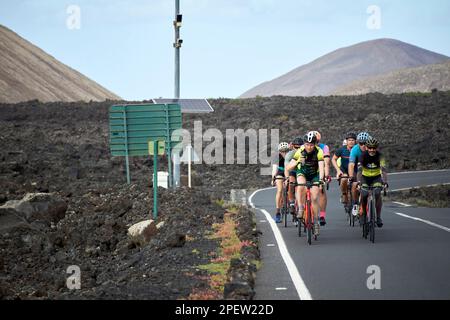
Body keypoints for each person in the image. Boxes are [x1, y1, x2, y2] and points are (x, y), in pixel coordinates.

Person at [286, 132, 325, 236]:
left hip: (314, 175)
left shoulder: (319, 151)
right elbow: (288, 167)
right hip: (302, 173)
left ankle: (316, 222)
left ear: (315, 144)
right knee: (300, 186)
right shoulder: (300, 151)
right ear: (304, 144)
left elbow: (321, 167)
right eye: (307, 144)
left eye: (311, 145)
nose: (309, 147)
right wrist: (297, 161)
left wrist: (321, 179)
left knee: (315, 197)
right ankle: (301, 208)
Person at [356, 137, 388, 227]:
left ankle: (378, 217)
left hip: (376, 178)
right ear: (366, 148)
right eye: (370, 148)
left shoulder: (380, 156)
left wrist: (385, 182)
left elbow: (384, 170)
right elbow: (359, 170)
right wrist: (358, 182)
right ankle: (364, 215)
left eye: (374, 148)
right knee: (364, 194)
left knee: (377, 193)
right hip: (365, 178)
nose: (372, 150)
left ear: (376, 148)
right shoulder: (362, 156)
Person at [348, 131, 370, 216]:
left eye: (365, 143)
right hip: (357, 171)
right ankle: (356, 204)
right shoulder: (355, 149)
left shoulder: (372, 148)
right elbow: (351, 164)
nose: (363, 146)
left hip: (369, 171)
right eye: (361, 143)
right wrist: (350, 176)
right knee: (354, 184)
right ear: (358, 143)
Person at [312, 131, 331, 226]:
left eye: (317, 142)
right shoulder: (306, 146)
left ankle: (322, 215)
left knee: (321, 191)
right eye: (313, 141)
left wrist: (326, 176)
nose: (315, 144)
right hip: (308, 169)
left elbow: (326, 163)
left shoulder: (324, 147)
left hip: (320, 169)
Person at [332, 132, 357, 205]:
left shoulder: (357, 149)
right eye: (349, 140)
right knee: (344, 179)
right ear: (346, 141)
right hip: (344, 170)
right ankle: (344, 194)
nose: (351, 142)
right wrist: (338, 170)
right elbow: (333, 159)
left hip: (355, 170)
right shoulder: (342, 149)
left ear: (355, 141)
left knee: (356, 185)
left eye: (353, 140)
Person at [284, 137, 303, 217]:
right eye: (296, 147)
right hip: (293, 171)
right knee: (291, 183)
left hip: (302, 171)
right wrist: (287, 178)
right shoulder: (289, 154)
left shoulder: (305, 153)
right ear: (293, 146)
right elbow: (287, 168)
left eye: (300, 147)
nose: (298, 149)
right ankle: (292, 204)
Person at [272, 142, 290, 223]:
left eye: (286, 151)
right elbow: (274, 169)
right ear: (279, 152)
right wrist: (273, 178)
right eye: (282, 151)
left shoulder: (291, 156)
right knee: (279, 190)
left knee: (292, 188)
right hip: (280, 172)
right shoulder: (277, 157)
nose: (284, 153)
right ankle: (278, 212)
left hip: (289, 172)